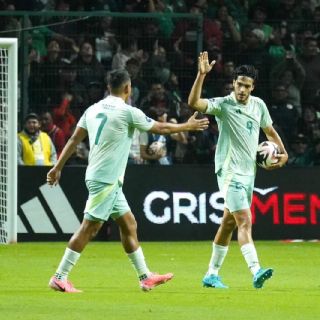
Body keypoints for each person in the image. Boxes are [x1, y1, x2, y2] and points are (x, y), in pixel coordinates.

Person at [47, 69, 209, 293]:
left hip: (101, 177)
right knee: (89, 228)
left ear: (107, 87)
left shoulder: (92, 110)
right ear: (127, 88)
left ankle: (145, 276)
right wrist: (187, 126)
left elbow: (75, 139)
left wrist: (57, 167)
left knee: (129, 223)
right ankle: (60, 276)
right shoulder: (127, 112)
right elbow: (160, 127)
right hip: (106, 179)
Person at [188, 52, 288, 289]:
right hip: (229, 171)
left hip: (248, 173)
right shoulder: (224, 105)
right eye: (239, 84)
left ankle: (211, 274)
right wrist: (201, 75)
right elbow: (194, 103)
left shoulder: (259, 105)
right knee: (245, 220)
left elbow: (270, 132)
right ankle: (256, 270)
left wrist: (283, 155)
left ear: (253, 87)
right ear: (233, 83)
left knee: (228, 224)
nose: (242, 89)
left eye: (247, 86)